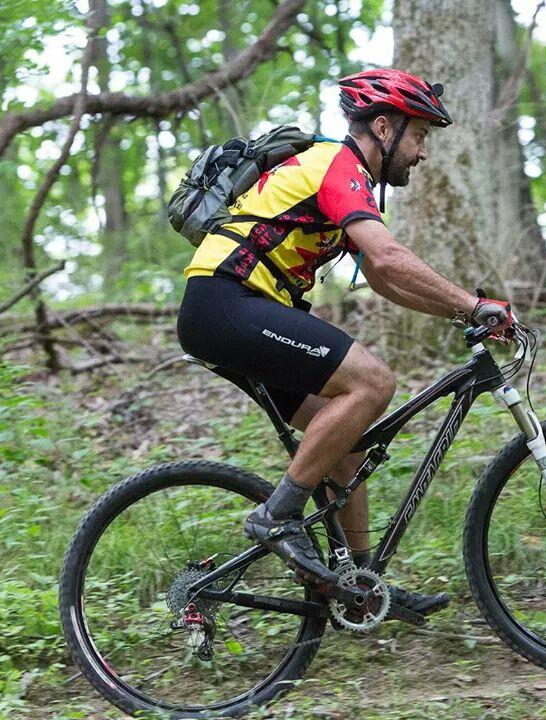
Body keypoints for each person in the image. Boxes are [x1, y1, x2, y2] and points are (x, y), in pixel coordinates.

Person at [176, 68, 511, 617]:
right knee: (372, 382)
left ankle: (359, 582)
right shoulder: (337, 164)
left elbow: (381, 277)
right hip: (226, 302)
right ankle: (276, 516)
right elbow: (388, 258)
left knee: (347, 435)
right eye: (420, 136)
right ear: (384, 127)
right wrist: (474, 306)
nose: (422, 153)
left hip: (235, 308)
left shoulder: (340, 176)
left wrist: (460, 313)